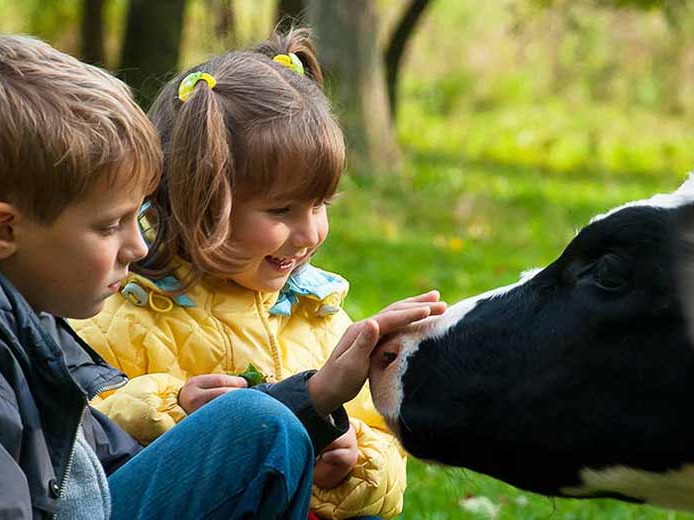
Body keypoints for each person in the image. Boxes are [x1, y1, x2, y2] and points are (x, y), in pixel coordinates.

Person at [0, 29, 444, 520]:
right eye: (110, 224)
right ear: (3, 232)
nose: (136, 245)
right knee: (257, 425)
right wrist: (256, 415)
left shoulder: (19, 318)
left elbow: (125, 463)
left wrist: (315, 405)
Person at [71, 28, 444, 520]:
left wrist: (353, 464)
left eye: (320, 205)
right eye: (281, 210)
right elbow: (77, 433)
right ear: (198, 201)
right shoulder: (123, 309)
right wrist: (174, 407)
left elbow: (386, 457)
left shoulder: (318, 315)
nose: (309, 232)